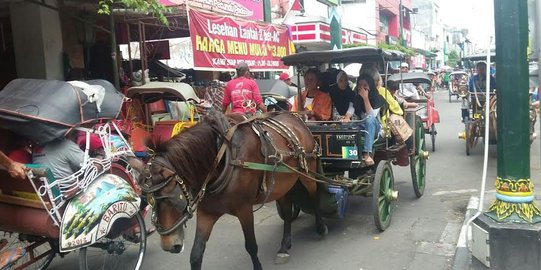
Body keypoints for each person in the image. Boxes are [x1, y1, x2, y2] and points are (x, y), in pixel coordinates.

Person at [352, 74, 385, 166]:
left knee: (369, 120)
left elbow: (371, 115)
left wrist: (365, 98)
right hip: (361, 126)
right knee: (347, 126)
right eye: (360, 86)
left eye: (365, 86)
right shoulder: (356, 98)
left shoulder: (378, 98)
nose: (362, 88)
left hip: (375, 127)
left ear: (370, 86)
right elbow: (351, 111)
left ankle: (367, 153)